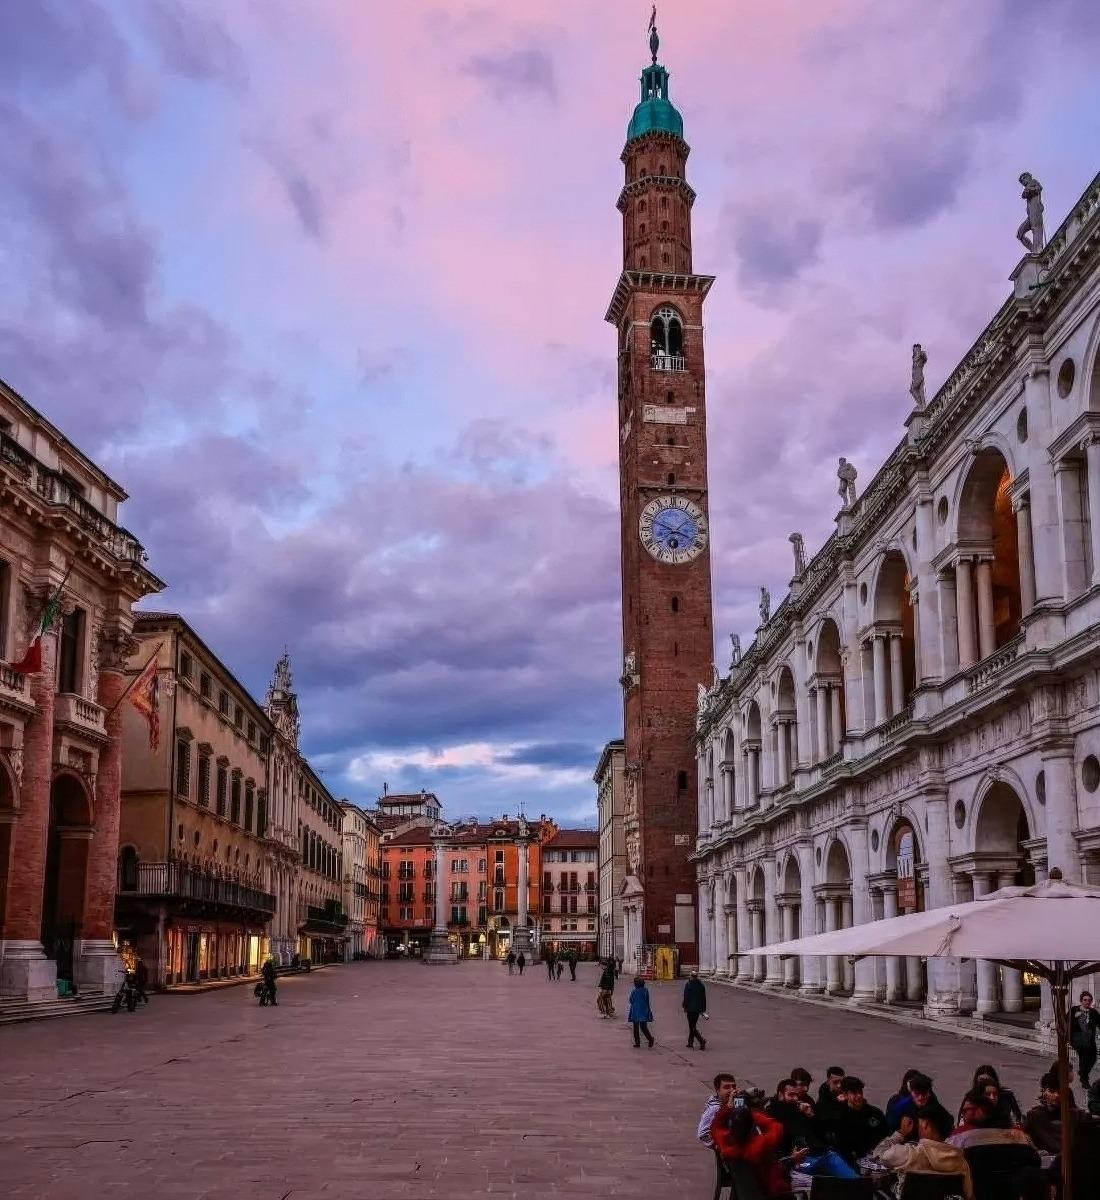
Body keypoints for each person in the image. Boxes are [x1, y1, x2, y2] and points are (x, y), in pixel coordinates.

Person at [873, 1105, 974, 1200]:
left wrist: (901, 1133)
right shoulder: (960, 1162)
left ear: (925, 1124)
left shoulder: (909, 1154)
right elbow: (968, 1195)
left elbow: (878, 1153)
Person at [766, 1078, 855, 1179]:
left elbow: (822, 1133)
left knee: (854, 1179)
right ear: (780, 1094)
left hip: (823, 1154)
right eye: (791, 1095)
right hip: (801, 1161)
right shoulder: (772, 1114)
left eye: (796, 1095)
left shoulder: (801, 1109)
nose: (795, 1098)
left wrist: (811, 1116)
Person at [712, 1099, 795, 1198]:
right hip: (772, 1194)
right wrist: (752, 1113)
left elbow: (716, 1126)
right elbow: (777, 1127)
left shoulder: (726, 1146)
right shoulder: (761, 1144)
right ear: (752, 1126)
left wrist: (729, 1108)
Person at [1024, 1069, 1087, 1155]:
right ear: (1043, 1092)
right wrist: (1036, 1151)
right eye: (1052, 1091)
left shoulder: (1077, 1115)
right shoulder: (1034, 1115)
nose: (1056, 1096)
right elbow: (1026, 1138)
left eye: (1060, 1091)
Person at [833, 1076, 888, 1164]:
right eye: (854, 1093)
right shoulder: (840, 1117)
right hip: (853, 1159)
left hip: (879, 1154)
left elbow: (885, 1134)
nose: (859, 1096)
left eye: (860, 1092)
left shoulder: (875, 1113)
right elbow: (842, 1146)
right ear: (845, 1095)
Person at [887, 1071, 952, 1135]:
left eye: (923, 1094)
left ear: (929, 1093)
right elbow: (889, 1127)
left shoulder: (933, 1103)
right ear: (911, 1092)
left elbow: (949, 1120)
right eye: (917, 1094)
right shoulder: (901, 1107)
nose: (920, 1097)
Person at [698, 1073, 738, 1149]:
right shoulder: (714, 1108)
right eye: (727, 1087)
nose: (732, 1090)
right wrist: (719, 1146)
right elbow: (703, 1134)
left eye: (734, 1086)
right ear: (717, 1090)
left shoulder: (733, 1101)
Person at [1069, 990, 1100, 1087]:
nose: (1087, 1002)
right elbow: (1066, 1021)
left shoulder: (1093, 1012)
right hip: (1078, 1037)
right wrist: (1075, 1017)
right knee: (1085, 1058)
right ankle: (1084, 1079)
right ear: (1081, 1001)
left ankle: (1082, 1072)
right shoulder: (1074, 1010)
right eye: (1085, 1000)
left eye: (1089, 1000)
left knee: (1093, 1058)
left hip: (1089, 1038)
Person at [682, 969, 708, 1051]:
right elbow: (704, 998)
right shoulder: (701, 985)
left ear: (691, 976)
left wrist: (684, 1006)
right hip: (698, 1009)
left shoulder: (688, 984)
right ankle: (690, 1042)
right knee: (693, 1025)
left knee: (692, 1026)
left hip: (690, 1008)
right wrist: (703, 1009)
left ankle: (701, 1040)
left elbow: (686, 997)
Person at [627, 975, 655, 1048]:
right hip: (644, 1011)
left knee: (635, 1028)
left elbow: (631, 1000)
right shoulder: (645, 990)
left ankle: (637, 1043)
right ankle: (650, 1039)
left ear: (635, 984)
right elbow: (647, 1000)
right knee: (644, 1027)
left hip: (635, 1012)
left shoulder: (634, 991)